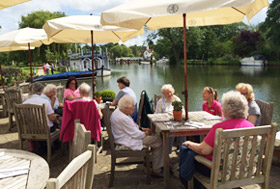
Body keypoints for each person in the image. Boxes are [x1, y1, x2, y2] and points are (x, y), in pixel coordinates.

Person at [179, 91, 254, 188]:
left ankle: (189, 182)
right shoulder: (251, 126)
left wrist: (189, 143)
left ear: (226, 110)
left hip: (219, 171)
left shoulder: (219, 128)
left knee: (188, 154)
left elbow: (203, 150)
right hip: (244, 171)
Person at [110, 96, 164, 177]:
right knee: (159, 140)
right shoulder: (123, 118)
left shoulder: (118, 111)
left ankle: (152, 161)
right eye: (132, 107)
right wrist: (146, 133)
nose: (134, 108)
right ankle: (156, 169)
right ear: (126, 108)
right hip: (126, 141)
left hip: (124, 137)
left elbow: (132, 128)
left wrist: (143, 129)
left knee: (154, 137)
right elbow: (137, 135)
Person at [155, 84, 185, 160]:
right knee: (170, 133)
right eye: (166, 93)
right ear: (163, 94)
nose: (169, 94)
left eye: (170, 92)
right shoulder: (161, 102)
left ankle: (183, 152)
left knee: (184, 132)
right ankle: (167, 154)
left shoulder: (176, 100)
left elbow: (182, 112)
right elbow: (157, 115)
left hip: (177, 122)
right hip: (165, 124)